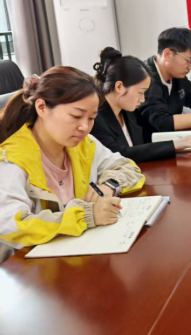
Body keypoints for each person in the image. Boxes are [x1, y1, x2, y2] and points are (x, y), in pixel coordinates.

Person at [0, 67, 145, 264]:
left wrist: (109, 185)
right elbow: (12, 226)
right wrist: (87, 216)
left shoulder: (83, 144)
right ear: (41, 108)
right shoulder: (10, 160)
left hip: (77, 255)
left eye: (91, 118)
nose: (85, 127)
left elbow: (128, 167)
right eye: (76, 116)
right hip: (28, 268)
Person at [92, 48, 191, 162]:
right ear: (119, 87)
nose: (143, 99)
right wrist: (173, 145)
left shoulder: (127, 111)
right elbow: (119, 154)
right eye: (140, 92)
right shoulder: (95, 118)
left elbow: (143, 145)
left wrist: (179, 143)